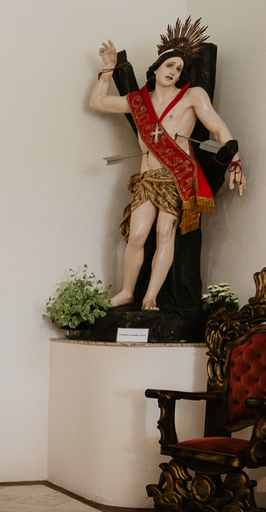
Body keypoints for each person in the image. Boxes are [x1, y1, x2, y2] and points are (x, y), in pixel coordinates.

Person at [89, 19, 244, 311]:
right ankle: (127, 292)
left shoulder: (192, 96)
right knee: (137, 235)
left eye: (179, 69)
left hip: (177, 176)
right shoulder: (137, 101)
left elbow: (219, 129)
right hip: (147, 178)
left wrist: (235, 162)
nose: (173, 71)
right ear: (156, 68)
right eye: (169, 65)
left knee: (165, 234)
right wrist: (108, 68)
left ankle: (150, 296)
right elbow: (97, 102)